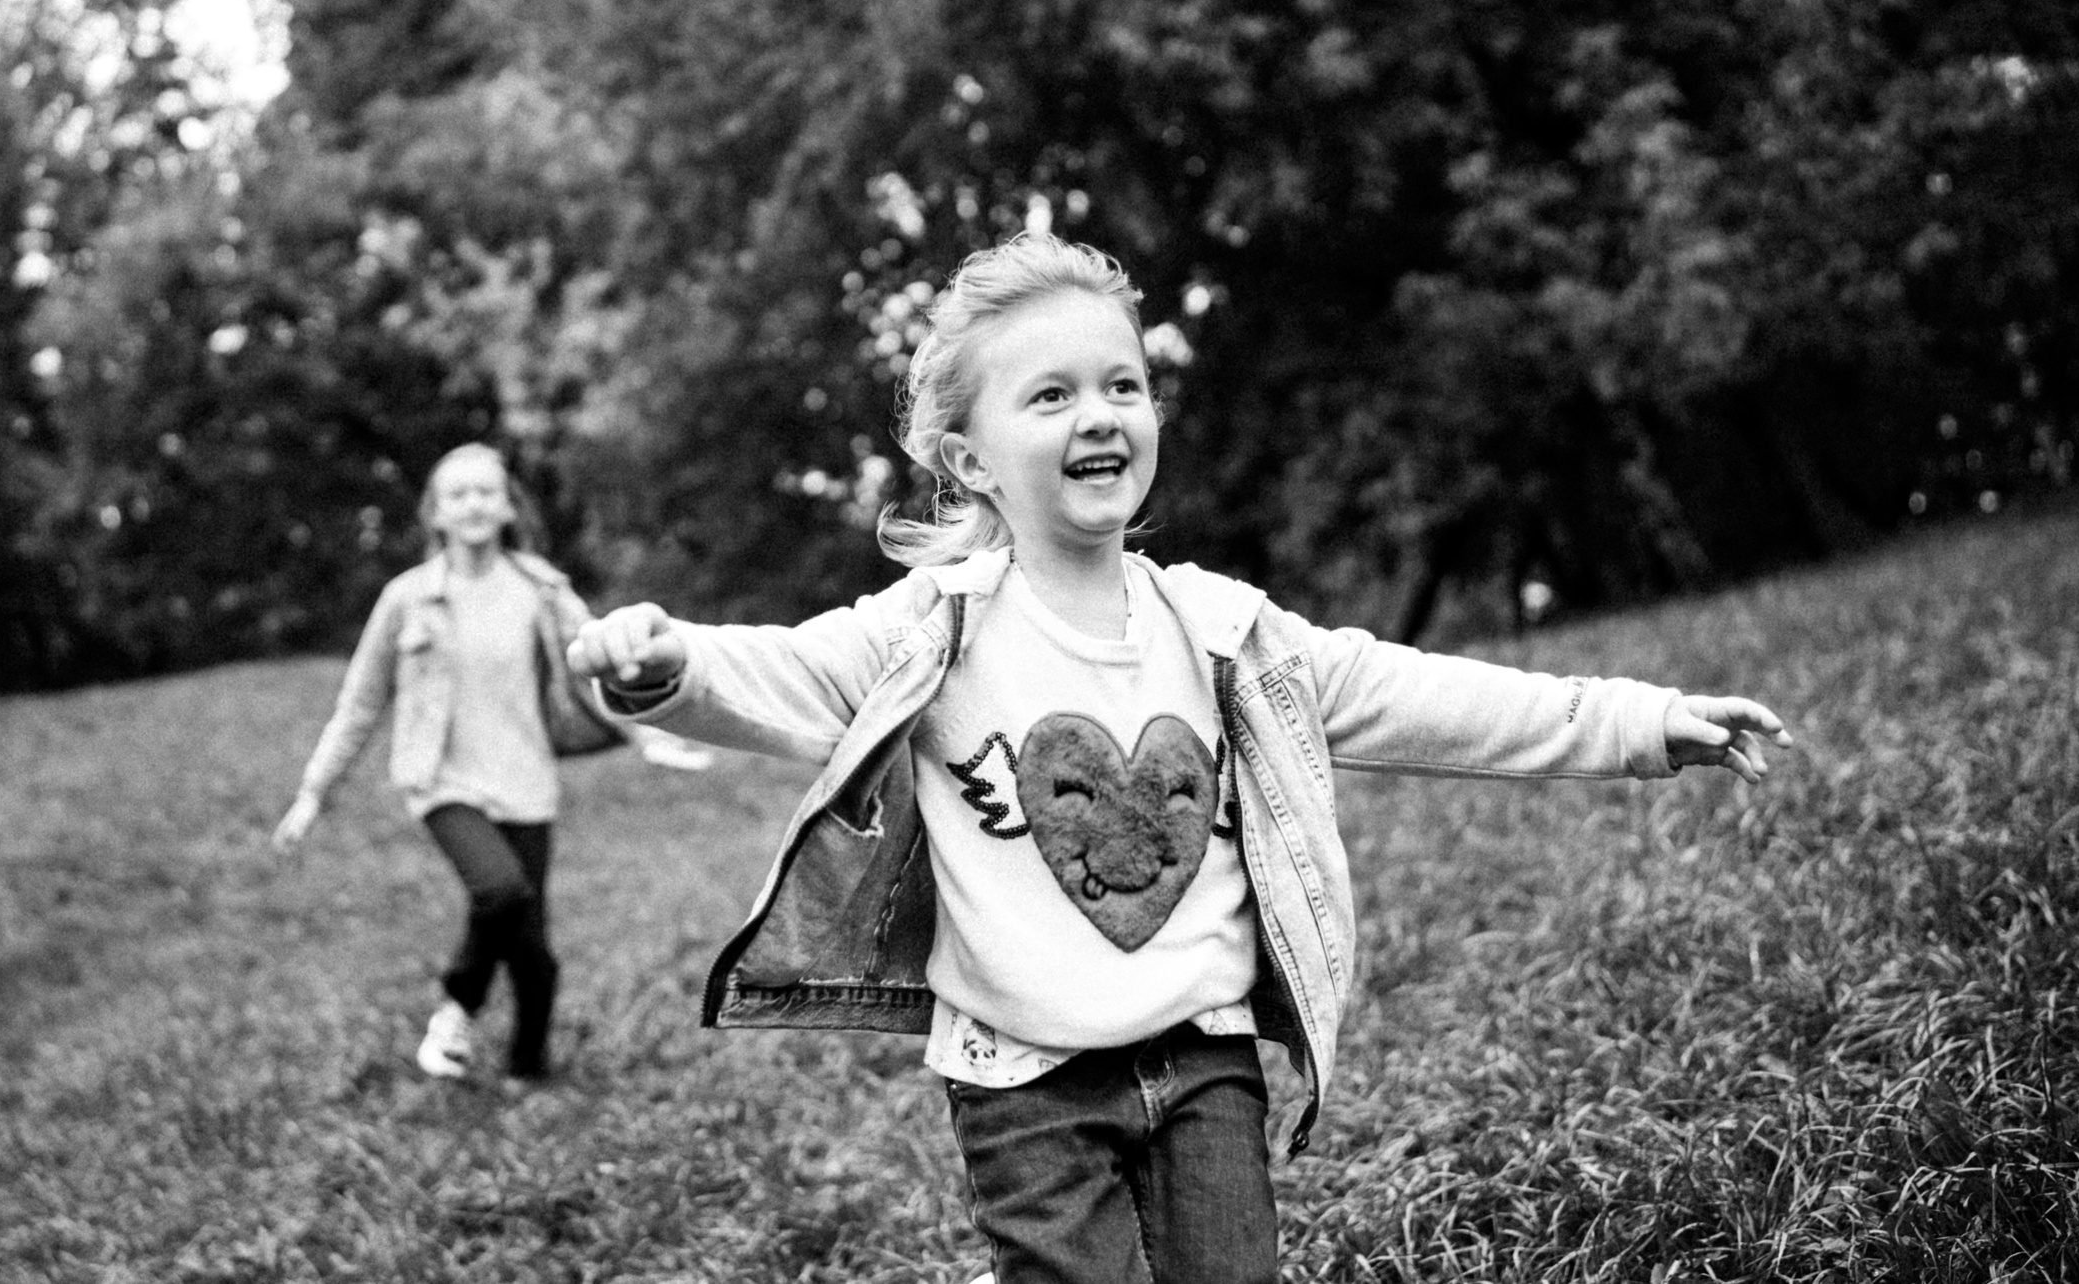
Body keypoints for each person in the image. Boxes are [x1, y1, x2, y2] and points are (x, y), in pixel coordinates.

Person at [569, 232, 1789, 1284]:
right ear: (971, 459)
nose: (1098, 414)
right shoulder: (931, 630)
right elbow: (771, 674)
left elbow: (1421, 695)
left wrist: (1637, 723)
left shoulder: (1220, 632)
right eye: (1048, 398)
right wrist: (662, 664)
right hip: (1023, 1086)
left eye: (1122, 385)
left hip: (1205, 1058)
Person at [274, 442, 705, 1082]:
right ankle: (456, 1008)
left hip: (527, 781)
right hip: (442, 782)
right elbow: (361, 703)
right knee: (500, 890)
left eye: (486, 491)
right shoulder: (407, 599)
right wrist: (314, 792)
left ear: (506, 506)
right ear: (435, 514)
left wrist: (647, 737)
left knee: (535, 960)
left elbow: (597, 676)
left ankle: (526, 1076)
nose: (473, 503)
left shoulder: (541, 589)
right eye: (457, 494)